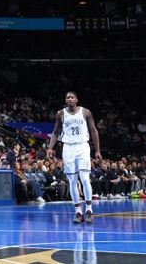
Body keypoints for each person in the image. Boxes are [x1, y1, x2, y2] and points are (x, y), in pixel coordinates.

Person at [46, 91, 101, 224]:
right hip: (68, 147)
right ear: (66, 100)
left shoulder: (85, 112)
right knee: (72, 180)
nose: (70, 99)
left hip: (82, 146)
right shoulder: (61, 113)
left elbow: (93, 130)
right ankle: (78, 212)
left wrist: (97, 150)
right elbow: (55, 132)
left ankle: (89, 210)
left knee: (85, 178)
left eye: (72, 97)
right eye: (67, 97)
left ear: (77, 99)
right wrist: (50, 147)